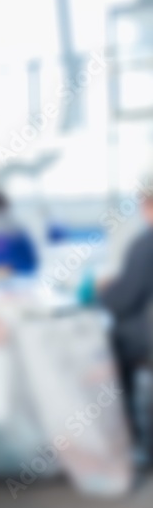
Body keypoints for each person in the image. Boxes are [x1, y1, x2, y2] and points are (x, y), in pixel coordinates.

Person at [99, 190, 153, 454]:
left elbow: (124, 298)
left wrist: (104, 291)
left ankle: (131, 436)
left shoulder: (145, 245)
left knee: (110, 343)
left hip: (144, 337)